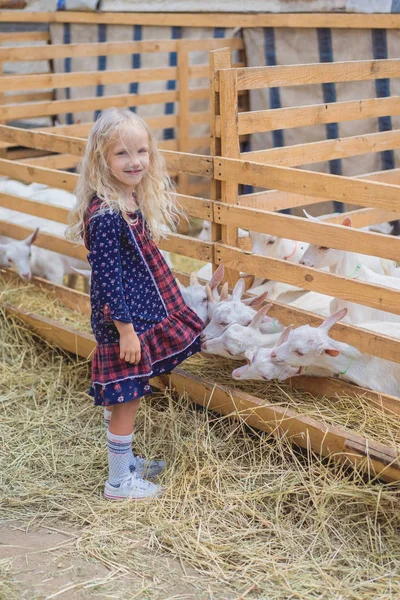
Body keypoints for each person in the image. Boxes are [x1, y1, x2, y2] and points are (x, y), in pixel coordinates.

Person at [67, 108, 204, 501]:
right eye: (122, 154)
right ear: (101, 160)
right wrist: (126, 331)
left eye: (141, 151)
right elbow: (108, 281)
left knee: (131, 393)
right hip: (123, 320)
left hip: (138, 314)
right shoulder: (108, 215)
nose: (135, 162)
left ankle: (125, 464)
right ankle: (118, 482)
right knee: (126, 396)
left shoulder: (127, 200)